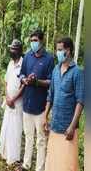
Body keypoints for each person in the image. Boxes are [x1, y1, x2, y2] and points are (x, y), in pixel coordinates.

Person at [44, 37, 84, 171]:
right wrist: (45, 116)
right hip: (55, 126)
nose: (58, 52)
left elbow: (80, 101)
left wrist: (72, 126)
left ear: (69, 50)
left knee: (68, 166)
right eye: (57, 50)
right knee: (54, 163)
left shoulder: (77, 72)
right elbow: (51, 95)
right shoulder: (56, 70)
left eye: (60, 50)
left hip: (68, 129)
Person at [19, 29, 54, 171]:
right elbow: (21, 73)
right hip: (27, 104)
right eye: (31, 40)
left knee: (41, 140)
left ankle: (39, 168)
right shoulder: (27, 56)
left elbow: (51, 81)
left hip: (40, 106)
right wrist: (25, 79)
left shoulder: (49, 59)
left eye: (35, 40)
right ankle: (26, 165)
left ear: (41, 41)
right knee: (28, 137)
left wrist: (37, 82)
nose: (33, 43)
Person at [0, 39, 24, 166]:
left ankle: (14, 157)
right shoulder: (10, 64)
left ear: (19, 50)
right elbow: (6, 82)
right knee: (7, 128)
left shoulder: (24, 64)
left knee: (15, 130)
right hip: (8, 101)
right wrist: (7, 97)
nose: (11, 51)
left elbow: (23, 86)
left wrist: (13, 99)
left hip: (18, 103)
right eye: (11, 49)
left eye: (14, 49)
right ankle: (5, 154)